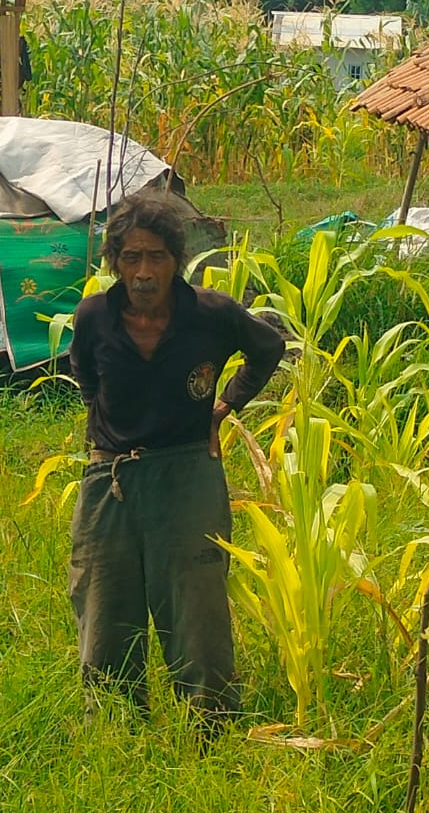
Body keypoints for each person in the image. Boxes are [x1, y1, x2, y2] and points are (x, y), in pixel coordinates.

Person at [67, 192, 284, 726]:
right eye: (131, 257)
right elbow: (86, 376)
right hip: (111, 478)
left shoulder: (211, 314)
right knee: (104, 603)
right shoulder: (95, 316)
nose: (144, 272)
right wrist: (105, 425)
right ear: (115, 262)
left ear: (176, 260)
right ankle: (116, 726)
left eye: (156, 257)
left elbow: (268, 349)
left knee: (196, 606)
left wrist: (224, 407)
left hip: (188, 474)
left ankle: (210, 725)